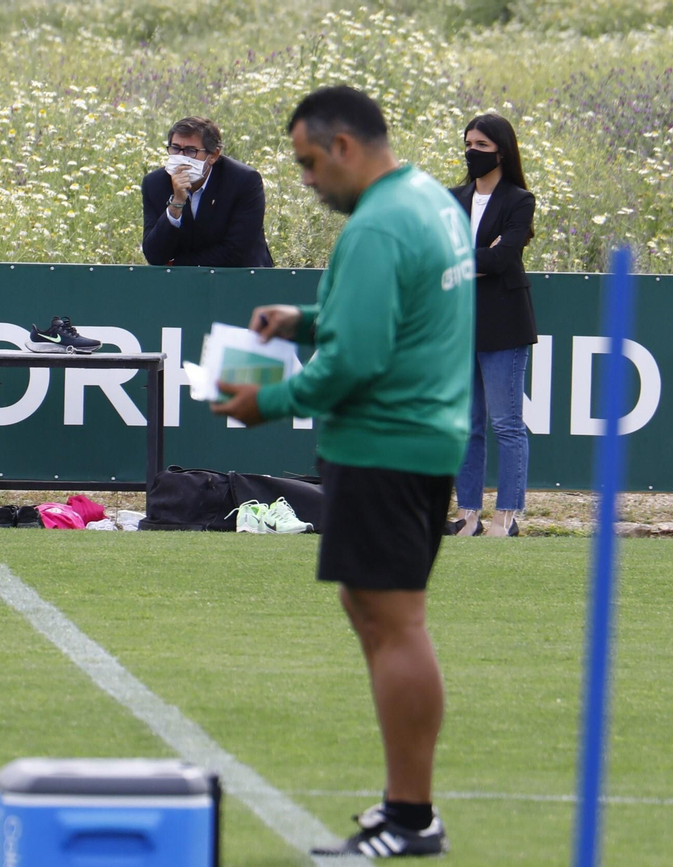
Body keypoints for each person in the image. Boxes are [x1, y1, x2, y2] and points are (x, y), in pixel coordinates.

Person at [211, 86, 473, 857]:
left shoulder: (378, 225)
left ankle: (412, 816)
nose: (306, 179)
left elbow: (356, 360)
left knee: (395, 624)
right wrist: (306, 321)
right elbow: (389, 316)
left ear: (345, 146)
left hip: (386, 445)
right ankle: (404, 805)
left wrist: (267, 401)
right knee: (377, 614)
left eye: (308, 162)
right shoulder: (430, 201)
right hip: (419, 440)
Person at [448, 114, 536, 538]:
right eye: (468, 144)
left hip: (503, 323)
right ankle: (468, 514)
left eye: (481, 145)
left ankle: (507, 516)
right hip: (459, 324)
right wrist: (480, 256)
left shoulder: (519, 200)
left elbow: (503, 259)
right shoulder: (452, 198)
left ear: (501, 150)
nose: (472, 152)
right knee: (467, 425)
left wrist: (463, 259)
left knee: (506, 424)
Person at [141, 116, 273, 268]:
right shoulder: (155, 183)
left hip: (242, 275)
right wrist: (176, 205)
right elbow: (154, 255)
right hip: (183, 280)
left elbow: (236, 252)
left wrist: (176, 265)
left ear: (214, 155)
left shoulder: (243, 181)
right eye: (175, 148)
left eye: (191, 151)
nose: (181, 158)